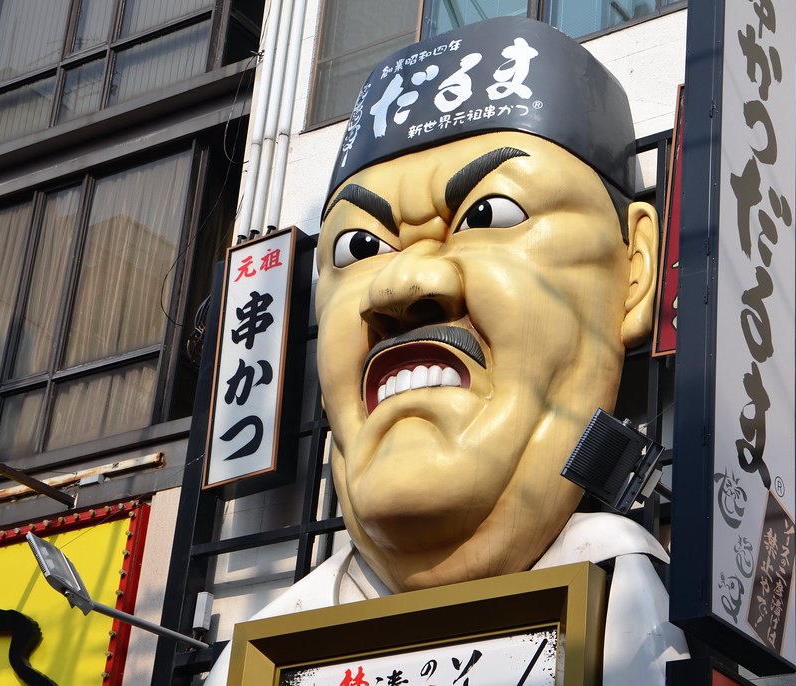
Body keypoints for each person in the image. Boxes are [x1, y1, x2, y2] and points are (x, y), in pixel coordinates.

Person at [206, 17, 687, 684]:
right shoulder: (261, 651)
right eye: (361, 248)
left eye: (488, 216)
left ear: (633, 271)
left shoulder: (631, 614)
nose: (403, 284)